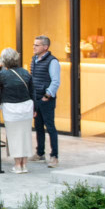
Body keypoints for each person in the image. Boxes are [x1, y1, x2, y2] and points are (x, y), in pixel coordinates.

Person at [0, 48, 34, 173]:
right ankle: (24, 164)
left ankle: (17, 165)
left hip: (11, 109)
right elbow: (32, 91)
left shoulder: (4, 74)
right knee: (25, 136)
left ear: (4, 60)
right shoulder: (26, 72)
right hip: (26, 108)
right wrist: (34, 107)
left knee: (14, 137)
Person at [30, 35, 61, 168]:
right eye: (34, 44)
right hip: (36, 98)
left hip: (46, 99)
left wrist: (47, 96)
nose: (34, 47)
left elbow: (55, 81)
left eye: (37, 45)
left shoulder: (52, 61)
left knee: (50, 127)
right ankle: (40, 153)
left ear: (45, 47)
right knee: (38, 127)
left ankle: (54, 156)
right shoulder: (34, 59)